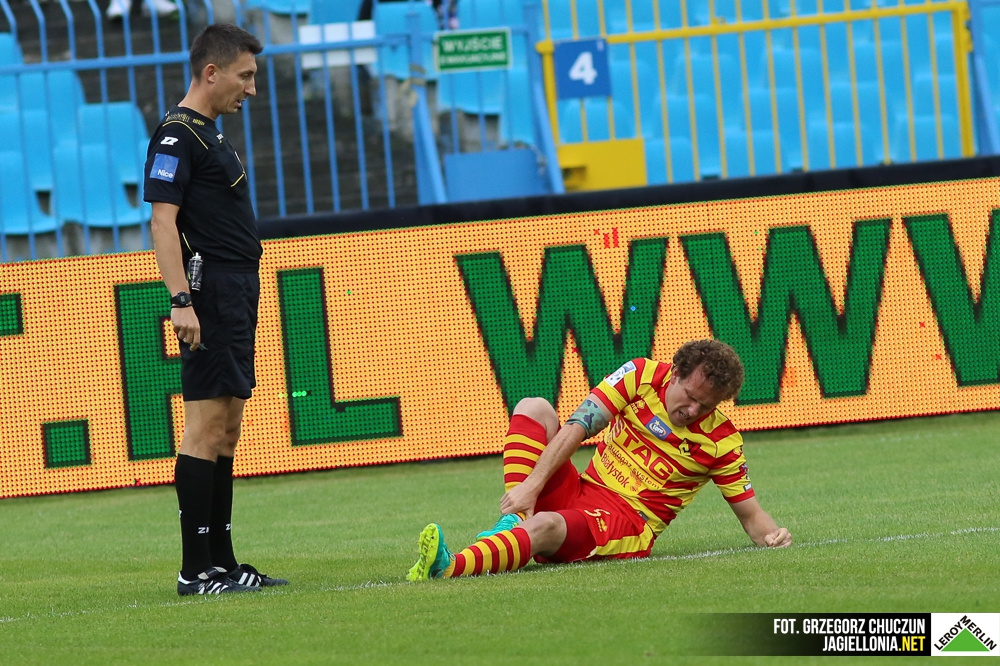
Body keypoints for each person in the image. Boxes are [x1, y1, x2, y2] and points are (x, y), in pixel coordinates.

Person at [407, 339, 792, 581]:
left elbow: (751, 516)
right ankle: (513, 521)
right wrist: (531, 488)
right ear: (675, 373)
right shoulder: (641, 375)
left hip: (625, 522)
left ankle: (449, 566)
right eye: (690, 396)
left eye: (705, 406)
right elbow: (578, 425)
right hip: (583, 490)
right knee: (534, 407)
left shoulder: (721, 441)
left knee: (545, 524)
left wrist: (774, 536)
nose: (693, 410)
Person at [144, 23, 288, 596]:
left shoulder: (210, 134)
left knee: (226, 431)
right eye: (244, 76)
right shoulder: (176, 136)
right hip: (209, 293)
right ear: (211, 73)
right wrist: (181, 300)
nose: (251, 88)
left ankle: (222, 563)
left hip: (235, 290)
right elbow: (162, 222)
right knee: (203, 429)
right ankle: (194, 569)